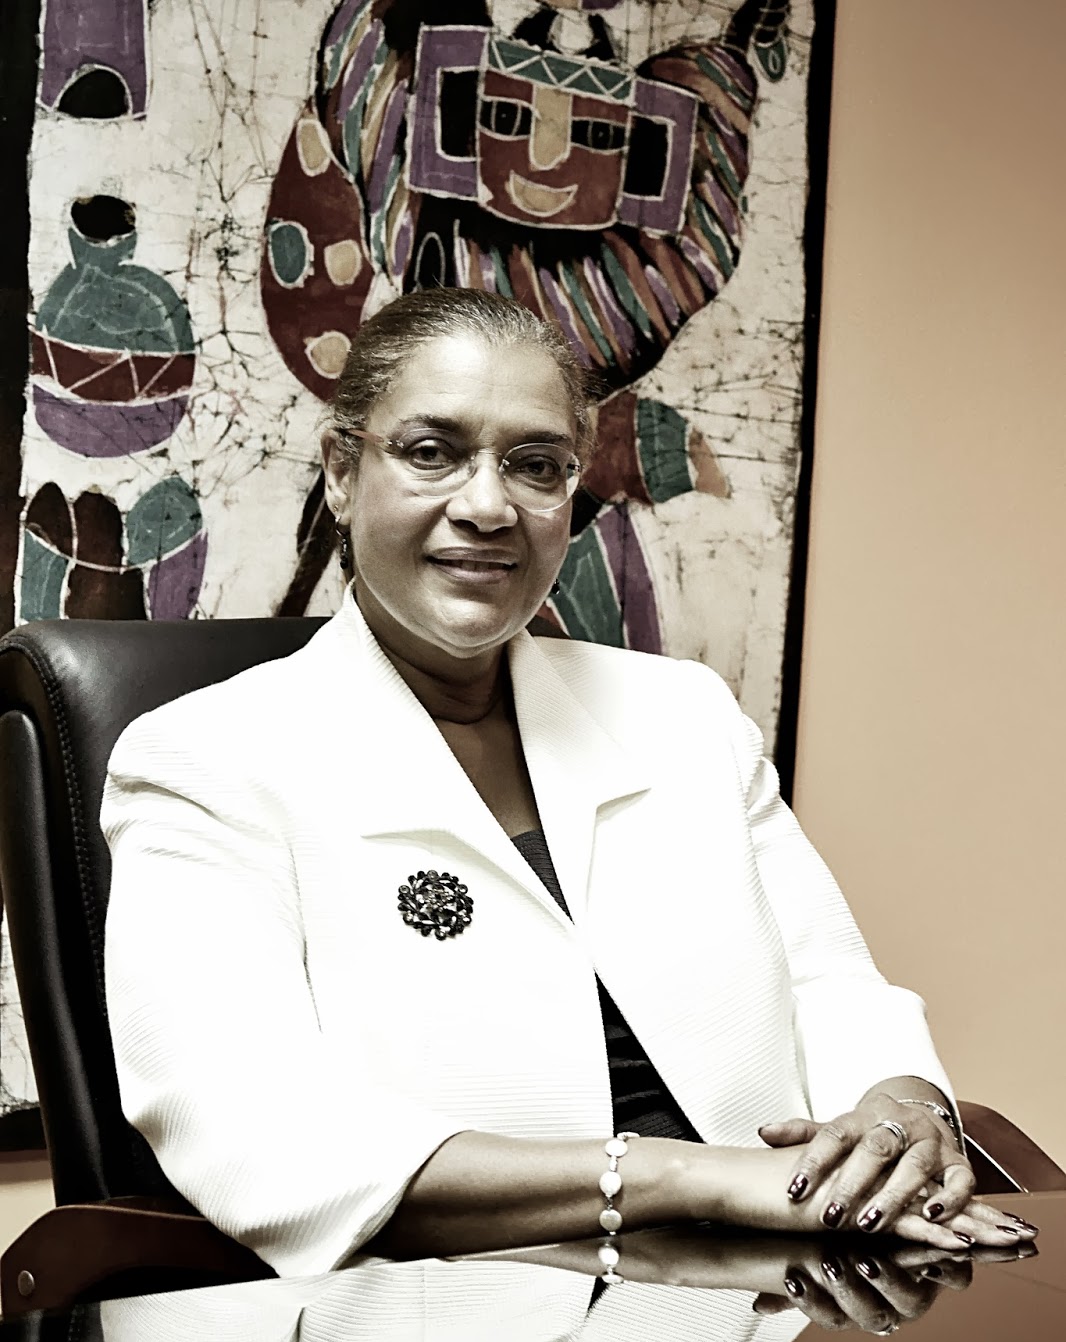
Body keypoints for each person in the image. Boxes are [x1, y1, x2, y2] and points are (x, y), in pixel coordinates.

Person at [100, 289, 1032, 1279]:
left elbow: (828, 988)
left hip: (767, 1302)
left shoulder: (685, 717)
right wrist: (692, 1180)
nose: (488, 506)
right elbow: (259, 1131)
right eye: (432, 452)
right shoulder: (204, 760)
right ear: (341, 471)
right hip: (426, 1327)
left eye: (536, 465)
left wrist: (900, 1112)